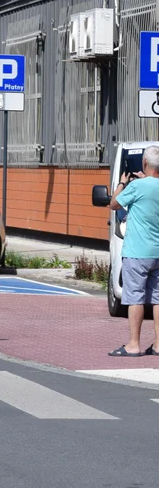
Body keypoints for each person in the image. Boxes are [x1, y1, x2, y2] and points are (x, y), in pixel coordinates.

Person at [107, 145, 159, 357]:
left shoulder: (136, 187)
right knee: (158, 298)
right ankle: (158, 345)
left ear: (144, 164)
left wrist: (122, 183)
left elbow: (114, 204)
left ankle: (134, 345)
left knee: (135, 297)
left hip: (137, 251)